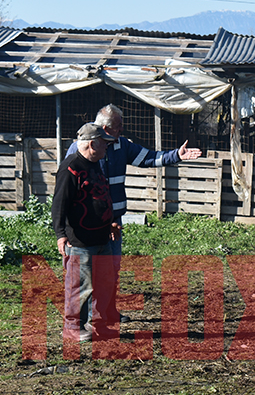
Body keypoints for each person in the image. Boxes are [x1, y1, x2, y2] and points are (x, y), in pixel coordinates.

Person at [65, 104, 202, 321]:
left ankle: (107, 311)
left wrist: (177, 155)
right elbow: (67, 192)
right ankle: (85, 319)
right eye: (118, 127)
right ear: (104, 128)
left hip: (114, 223)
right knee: (89, 273)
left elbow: (148, 157)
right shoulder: (79, 150)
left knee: (112, 270)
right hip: (87, 225)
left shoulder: (121, 145)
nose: (121, 130)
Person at [52, 123, 121, 342]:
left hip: (102, 237)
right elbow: (59, 203)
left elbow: (98, 198)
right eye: (104, 145)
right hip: (80, 240)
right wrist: (61, 234)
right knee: (79, 286)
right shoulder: (71, 168)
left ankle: (98, 324)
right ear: (92, 145)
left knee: (104, 284)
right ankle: (72, 327)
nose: (106, 149)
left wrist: (109, 222)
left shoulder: (95, 165)